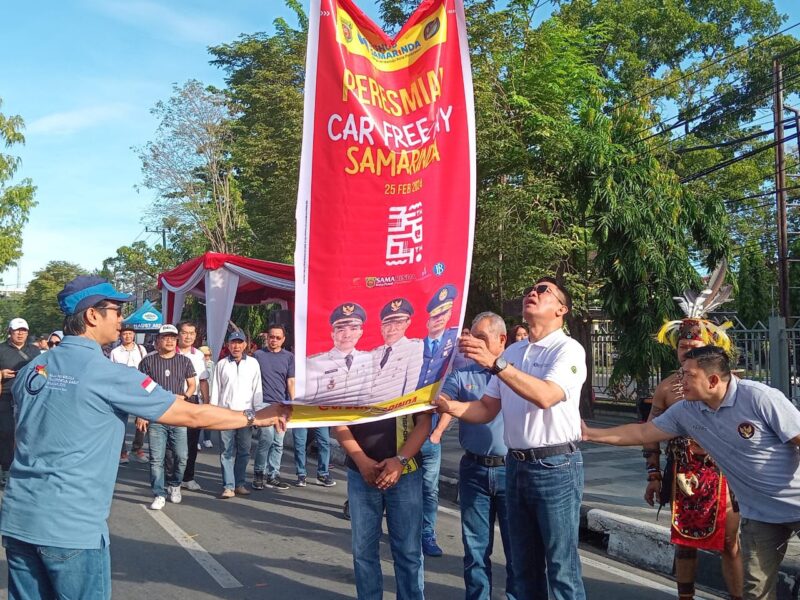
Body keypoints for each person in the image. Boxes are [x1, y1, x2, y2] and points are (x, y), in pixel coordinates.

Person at [0, 275, 289, 600]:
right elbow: (193, 415)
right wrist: (254, 416)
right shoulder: (109, 374)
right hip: (72, 527)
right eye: (117, 310)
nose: (122, 318)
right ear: (93, 315)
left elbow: (19, 439)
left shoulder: (32, 369)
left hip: (18, 519)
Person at [583, 345, 800, 600]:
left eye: (687, 375)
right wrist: (587, 433)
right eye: (680, 373)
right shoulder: (686, 411)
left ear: (713, 380)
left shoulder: (759, 398)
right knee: (756, 590)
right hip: (760, 514)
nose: (680, 381)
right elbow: (642, 433)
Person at [433, 277, 587, 599]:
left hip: (555, 467)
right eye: (531, 289)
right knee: (524, 565)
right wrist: (449, 406)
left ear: (562, 309)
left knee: (561, 569)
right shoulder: (516, 351)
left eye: (543, 291)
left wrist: (495, 363)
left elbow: (545, 395)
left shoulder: (568, 349)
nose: (533, 293)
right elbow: (487, 408)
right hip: (515, 467)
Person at [645, 269, 742, 600]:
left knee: (730, 543)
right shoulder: (665, 388)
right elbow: (649, 433)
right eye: (682, 348)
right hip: (683, 474)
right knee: (684, 544)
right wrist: (654, 475)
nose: (686, 353)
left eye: (693, 347)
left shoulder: (729, 386)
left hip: (724, 473)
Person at [430, 312, 517, 600]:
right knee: (476, 549)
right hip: (474, 472)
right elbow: (444, 398)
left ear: (501, 340)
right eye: (473, 337)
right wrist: (436, 401)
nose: (474, 344)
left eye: (482, 338)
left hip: (513, 471)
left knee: (518, 549)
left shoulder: (518, 374)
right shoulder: (463, 374)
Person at [334, 411, 432, 600]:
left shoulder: (413, 380)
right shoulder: (349, 380)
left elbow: (424, 421)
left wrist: (400, 460)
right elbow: (338, 421)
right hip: (362, 475)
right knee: (363, 551)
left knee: (409, 551)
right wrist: (362, 462)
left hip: (406, 473)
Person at [417, 284, 460, 557]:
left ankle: (427, 534)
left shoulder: (455, 347)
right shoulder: (412, 347)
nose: (440, 319)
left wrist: (439, 432)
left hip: (431, 431)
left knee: (429, 490)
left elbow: (454, 394)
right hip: (404, 429)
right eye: (435, 315)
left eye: (445, 313)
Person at [136, 324, 196, 510]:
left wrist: (185, 396)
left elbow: (192, 385)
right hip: (156, 416)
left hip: (178, 415)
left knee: (182, 456)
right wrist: (142, 414)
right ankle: (159, 493)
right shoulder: (148, 361)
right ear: (158, 340)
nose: (169, 341)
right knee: (156, 458)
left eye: (172, 337)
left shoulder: (184, 361)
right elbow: (141, 389)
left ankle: (175, 484)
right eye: (165, 337)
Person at [210, 330, 263, 498]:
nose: (236, 346)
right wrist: (214, 412)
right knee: (226, 450)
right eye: (233, 343)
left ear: (245, 345)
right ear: (228, 345)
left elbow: (257, 389)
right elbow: (216, 389)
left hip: (246, 414)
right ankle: (228, 486)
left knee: (244, 450)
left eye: (240, 343)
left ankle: (239, 483)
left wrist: (258, 413)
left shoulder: (253, 363)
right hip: (226, 414)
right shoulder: (222, 364)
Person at [252, 324, 295, 490]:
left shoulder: (289, 357)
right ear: (266, 337)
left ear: (283, 339)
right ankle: (258, 473)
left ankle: (273, 474)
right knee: (266, 439)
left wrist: (293, 403)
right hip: (263, 403)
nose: (274, 340)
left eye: (278, 337)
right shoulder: (258, 355)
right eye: (271, 337)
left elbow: (291, 381)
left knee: (278, 442)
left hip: (282, 405)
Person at [306, 303, 373, 405]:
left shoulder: (367, 358)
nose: (347, 335)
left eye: (353, 329)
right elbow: (308, 400)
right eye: (341, 330)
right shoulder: (315, 362)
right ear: (333, 334)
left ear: (360, 333)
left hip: (357, 418)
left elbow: (365, 397)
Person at [0, 317, 40, 486]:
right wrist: (1, 374)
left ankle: (28, 469)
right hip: (6, 396)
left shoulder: (34, 351)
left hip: (29, 397)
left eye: (23, 330)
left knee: (29, 433)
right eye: (17, 330)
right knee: (6, 432)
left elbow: (42, 371)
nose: (20, 333)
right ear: (10, 332)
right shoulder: (1, 349)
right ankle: (6, 469)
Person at [175, 320, 210, 492]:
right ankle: (173, 478)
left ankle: (188, 477)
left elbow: (202, 381)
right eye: (185, 332)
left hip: (193, 401)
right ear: (178, 334)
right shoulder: (169, 352)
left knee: (192, 442)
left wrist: (207, 403)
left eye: (192, 333)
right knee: (173, 443)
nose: (188, 336)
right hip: (173, 401)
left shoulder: (198, 355)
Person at [371, 298, 423, 404]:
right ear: (381, 327)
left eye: (398, 323)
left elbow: (411, 388)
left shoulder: (414, 348)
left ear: (407, 323)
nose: (392, 328)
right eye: (387, 324)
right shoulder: (373, 353)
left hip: (394, 414)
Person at [110, 323, 149, 464]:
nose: (127, 336)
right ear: (120, 335)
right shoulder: (115, 352)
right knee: (120, 421)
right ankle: (122, 452)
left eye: (130, 333)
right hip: (122, 389)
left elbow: (147, 369)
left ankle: (137, 448)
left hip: (139, 387)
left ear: (134, 335)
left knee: (143, 419)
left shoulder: (141, 349)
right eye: (125, 333)